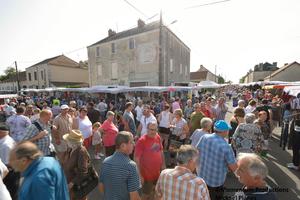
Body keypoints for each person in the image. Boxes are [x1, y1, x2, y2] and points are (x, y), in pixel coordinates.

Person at [197, 120, 237, 200]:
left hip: (202, 175)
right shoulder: (226, 146)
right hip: (215, 181)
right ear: (225, 131)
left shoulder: (205, 137)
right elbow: (234, 167)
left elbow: (197, 151)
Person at [99, 131, 141, 200]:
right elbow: (134, 197)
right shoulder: (131, 166)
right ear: (123, 146)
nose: (134, 144)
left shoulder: (105, 162)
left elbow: (101, 187)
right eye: (131, 142)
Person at [134, 122, 165, 200]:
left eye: (155, 130)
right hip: (147, 175)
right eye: (151, 130)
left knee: (155, 191)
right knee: (145, 194)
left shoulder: (157, 137)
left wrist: (163, 164)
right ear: (147, 129)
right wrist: (139, 175)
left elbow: (160, 151)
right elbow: (136, 158)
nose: (153, 132)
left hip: (157, 173)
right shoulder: (142, 141)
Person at [60, 130, 91, 200]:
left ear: (73, 142)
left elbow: (83, 172)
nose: (66, 141)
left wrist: (71, 184)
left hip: (77, 185)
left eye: (67, 140)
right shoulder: (70, 148)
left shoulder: (81, 152)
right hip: (68, 181)